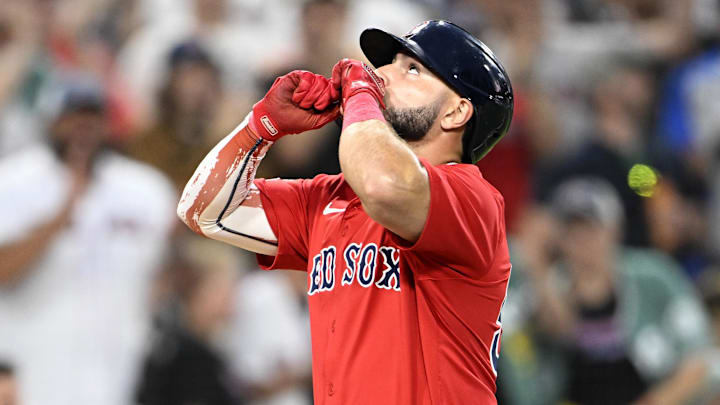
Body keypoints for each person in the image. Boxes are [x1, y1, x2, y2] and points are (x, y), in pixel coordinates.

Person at [178, 20, 514, 404]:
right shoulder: (330, 198)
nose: (381, 74)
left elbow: (385, 185)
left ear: (456, 113)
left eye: (412, 69)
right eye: (388, 64)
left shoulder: (472, 199)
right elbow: (203, 210)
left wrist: (358, 95)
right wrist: (261, 126)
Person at [0, 74, 176, 405]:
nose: (83, 128)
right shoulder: (13, 179)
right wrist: (60, 217)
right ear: (53, 121)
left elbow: (166, 270)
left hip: (117, 369)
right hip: (32, 363)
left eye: (92, 118)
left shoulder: (143, 188)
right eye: (73, 117)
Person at [502, 177, 719, 405]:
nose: (583, 242)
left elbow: (700, 356)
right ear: (560, 240)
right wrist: (539, 271)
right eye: (572, 233)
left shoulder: (653, 278)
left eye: (592, 230)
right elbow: (543, 344)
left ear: (615, 230)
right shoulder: (549, 287)